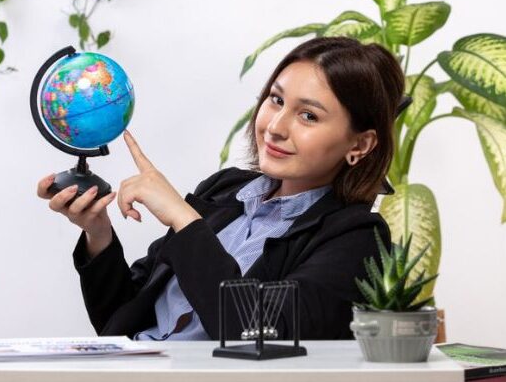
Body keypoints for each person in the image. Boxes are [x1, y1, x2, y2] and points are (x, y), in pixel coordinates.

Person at [37, 36, 405, 341]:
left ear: (359, 145)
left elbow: (260, 335)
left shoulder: (356, 237)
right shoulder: (223, 191)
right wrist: (97, 232)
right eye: (276, 100)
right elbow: (119, 320)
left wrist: (184, 218)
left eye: (308, 115)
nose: (275, 126)